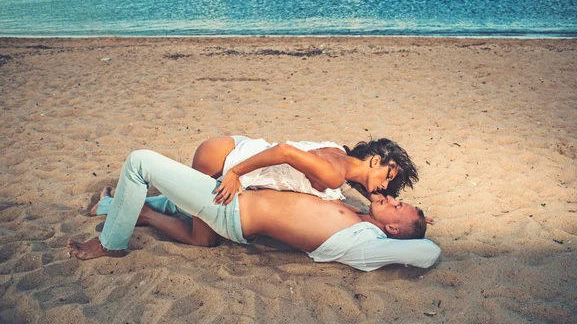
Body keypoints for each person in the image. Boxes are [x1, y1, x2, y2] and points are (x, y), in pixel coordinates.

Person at [67, 150, 440, 271]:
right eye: (396, 196)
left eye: (399, 206)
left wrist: (416, 231)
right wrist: (412, 221)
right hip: (232, 201)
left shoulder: (363, 243)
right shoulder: (359, 214)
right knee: (173, 199)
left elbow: (428, 251)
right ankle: (114, 205)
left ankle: (112, 244)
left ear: (392, 231)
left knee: (139, 162)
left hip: (227, 210)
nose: (392, 197)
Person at [90, 135, 420, 245]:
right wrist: (234, 173)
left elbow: (352, 183)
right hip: (223, 158)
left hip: (233, 148)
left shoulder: (339, 157)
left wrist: (395, 207)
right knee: (201, 238)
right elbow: (284, 151)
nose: (387, 187)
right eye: (389, 176)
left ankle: (108, 204)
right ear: (375, 159)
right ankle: (130, 216)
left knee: (194, 216)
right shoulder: (334, 174)